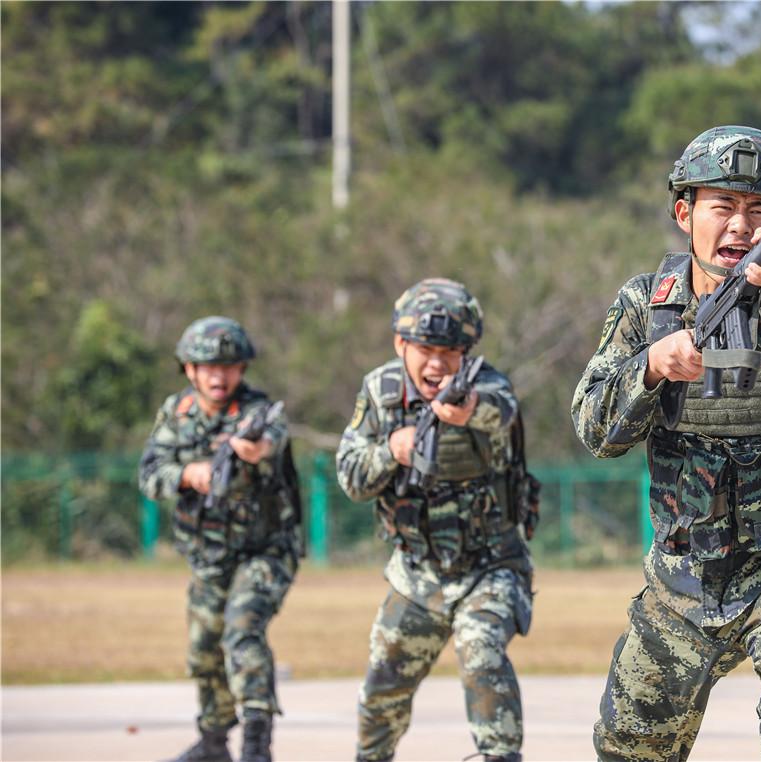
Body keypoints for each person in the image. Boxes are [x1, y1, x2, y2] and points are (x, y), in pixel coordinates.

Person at [572, 125, 761, 762]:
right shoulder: (646, 305)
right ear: (685, 214)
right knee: (628, 749)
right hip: (682, 578)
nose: (742, 226)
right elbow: (594, 429)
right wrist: (651, 368)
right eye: (723, 206)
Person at [337, 278, 535, 762]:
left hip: (492, 567)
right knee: (382, 687)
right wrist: (392, 449)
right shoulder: (380, 392)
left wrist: (467, 410)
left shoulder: (486, 386)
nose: (437, 364)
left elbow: (501, 411)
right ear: (400, 345)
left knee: (481, 650)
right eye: (425, 349)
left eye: (450, 351)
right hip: (417, 573)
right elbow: (351, 477)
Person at [139, 316, 301, 762]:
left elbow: (272, 440)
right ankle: (213, 744)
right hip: (209, 556)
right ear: (190, 370)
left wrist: (256, 450)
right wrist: (189, 474)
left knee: (242, 631)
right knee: (203, 648)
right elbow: (150, 474)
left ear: (242, 369)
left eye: (228, 367)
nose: (219, 376)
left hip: (266, 551)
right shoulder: (177, 414)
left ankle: (256, 744)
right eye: (209, 367)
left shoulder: (258, 413)